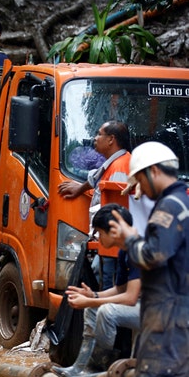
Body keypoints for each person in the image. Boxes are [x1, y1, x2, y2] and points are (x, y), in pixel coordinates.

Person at [108, 141, 189, 377]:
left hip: (169, 322)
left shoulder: (169, 206)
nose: (140, 188)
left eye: (140, 179)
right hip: (177, 317)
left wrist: (129, 238)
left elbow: (153, 255)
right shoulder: (184, 203)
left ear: (153, 171)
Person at [53, 204, 141, 377]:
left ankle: (97, 370)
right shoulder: (124, 252)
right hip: (143, 306)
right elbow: (121, 288)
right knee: (93, 309)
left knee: (107, 312)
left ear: (113, 230)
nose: (98, 238)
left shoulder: (137, 250)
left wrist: (92, 300)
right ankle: (81, 367)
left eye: (100, 232)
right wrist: (93, 296)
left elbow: (130, 298)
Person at [58, 120, 132, 291]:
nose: (95, 138)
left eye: (99, 134)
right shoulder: (114, 163)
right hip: (108, 243)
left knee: (106, 285)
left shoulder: (120, 167)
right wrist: (80, 188)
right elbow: (96, 178)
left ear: (111, 139)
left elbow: (117, 207)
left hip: (113, 246)